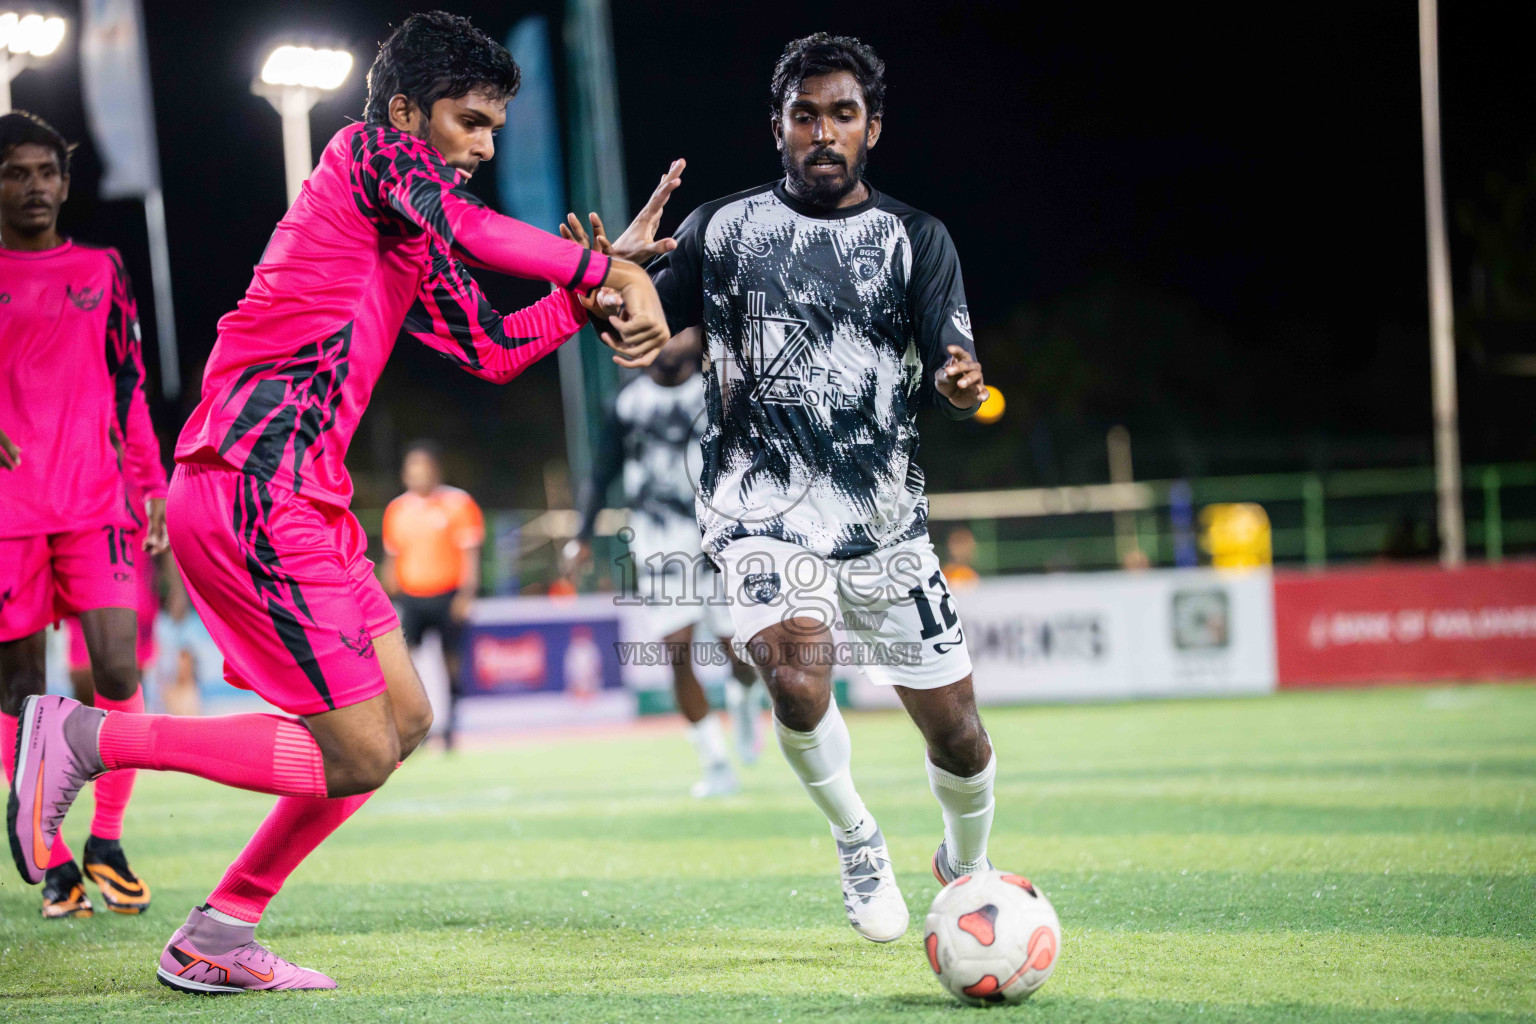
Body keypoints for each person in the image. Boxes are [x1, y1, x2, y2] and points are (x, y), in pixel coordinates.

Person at [8, 11, 668, 994]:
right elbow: (471, 227)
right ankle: (84, 736)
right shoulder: (364, 156)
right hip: (248, 481)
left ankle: (218, 933)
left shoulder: (411, 229)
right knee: (354, 749)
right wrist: (599, 265)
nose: (486, 147)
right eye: (470, 123)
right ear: (407, 113)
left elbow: (488, 347)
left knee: (400, 722)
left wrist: (581, 302)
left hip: (304, 501)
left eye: (495, 128)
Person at [583, 33, 996, 943]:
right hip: (756, 511)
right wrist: (610, 276)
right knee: (798, 682)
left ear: (872, 128)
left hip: (885, 525)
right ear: (777, 126)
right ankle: (858, 838)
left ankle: (967, 871)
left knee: (960, 737)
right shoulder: (722, 231)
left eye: (842, 114)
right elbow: (638, 311)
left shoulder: (915, 239)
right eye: (804, 114)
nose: (822, 131)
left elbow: (952, 357)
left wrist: (960, 385)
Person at [0, 111, 165, 921]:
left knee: (119, 672)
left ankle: (106, 836)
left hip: (98, 500)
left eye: (46, 172)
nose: (34, 186)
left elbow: (130, 382)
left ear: (65, 182)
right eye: (15, 172)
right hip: (7, 515)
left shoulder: (102, 267)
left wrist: (153, 486)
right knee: (20, 690)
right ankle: (54, 857)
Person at [570, 326, 766, 798]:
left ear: (699, 339)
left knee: (734, 646)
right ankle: (715, 762)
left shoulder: (720, 391)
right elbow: (602, 471)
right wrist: (581, 534)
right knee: (677, 652)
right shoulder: (627, 401)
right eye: (664, 332)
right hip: (657, 538)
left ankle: (743, 698)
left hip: (721, 533)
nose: (670, 342)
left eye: (681, 333)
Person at [382, 441, 484, 750]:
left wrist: (466, 595)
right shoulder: (397, 509)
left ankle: (452, 723)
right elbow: (391, 557)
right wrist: (390, 594)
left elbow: (470, 555)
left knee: (451, 660)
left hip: (448, 595)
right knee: (404, 663)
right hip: (411, 597)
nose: (418, 474)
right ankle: (416, 726)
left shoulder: (458, 503)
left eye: (423, 466)